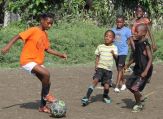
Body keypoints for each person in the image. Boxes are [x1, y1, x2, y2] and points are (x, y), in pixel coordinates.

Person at [1, 13, 67, 113]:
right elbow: (18, 36)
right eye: (48, 23)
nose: (50, 26)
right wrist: (8, 46)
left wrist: (60, 54)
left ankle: (42, 106)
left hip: (37, 62)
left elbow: (47, 49)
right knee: (46, 74)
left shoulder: (45, 34)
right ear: (42, 20)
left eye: (51, 24)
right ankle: (46, 95)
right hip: (27, 60)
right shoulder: (33, 30)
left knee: (47, 81)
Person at [81, 30, 118, 106]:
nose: (107, 38)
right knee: (95, 81)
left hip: (108, 71)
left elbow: (117, 58)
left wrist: (113, 53)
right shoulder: (100, 46)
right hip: (100, 68)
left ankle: (105, 95)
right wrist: (96, 65)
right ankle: (86, 97)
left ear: (113, 39)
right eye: (106, 36)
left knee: (107, 87)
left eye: (110, 37)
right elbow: (97, 56)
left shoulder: (114, 47)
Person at [125, 24, 153, 112]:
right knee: (128, 84)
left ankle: (139, 104)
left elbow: (150, 59)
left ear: (144, 33)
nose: (135, 33)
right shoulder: (137, 43)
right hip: (137, 69)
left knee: (135, 88)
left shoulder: (145, 45)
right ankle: (139, 96)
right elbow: (136, 56)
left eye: (137, 32)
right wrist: (128, 64)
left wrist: (145, 71)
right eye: (134, 31)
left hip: (145, 70)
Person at [112, 16, 133, 93]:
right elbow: (111, 39)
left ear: (124, 22)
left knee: (120, 68)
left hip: (123, 52)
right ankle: (124, 84)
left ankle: (117, 86)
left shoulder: (127, 30)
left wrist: (128, 46)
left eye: (120, 22)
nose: (119, 23)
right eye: (117, 22)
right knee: (119, 68)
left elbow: (130, 40)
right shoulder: (113, 30)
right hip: (115, 52)